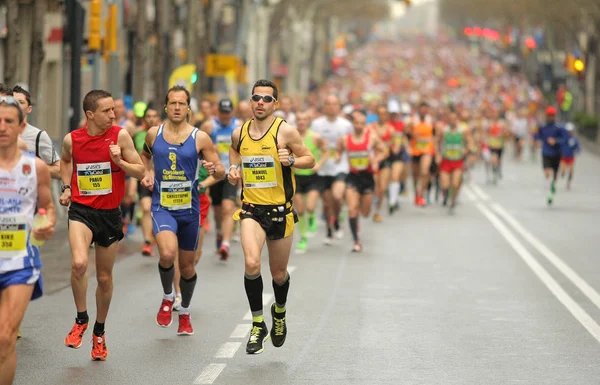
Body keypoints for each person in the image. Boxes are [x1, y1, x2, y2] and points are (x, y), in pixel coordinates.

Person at [228, 79, 315, 354]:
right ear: (250, 101)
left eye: (267, 99)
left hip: (280, 211)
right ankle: (257, 323)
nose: (261, 103)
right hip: (251, 210)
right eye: (256, 98)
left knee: (278, 274)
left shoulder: (285, 132)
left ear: (275, 104)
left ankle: (279, 312)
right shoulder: (239, 132)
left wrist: (291, 161)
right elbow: (234, 150)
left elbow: (310, 159)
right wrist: (233, 168)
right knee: (252, 263)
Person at [60, 89, 146, 361]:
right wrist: (65, 186)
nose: (113, 114)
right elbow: (64, 161)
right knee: (79, 264)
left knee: (104, 277)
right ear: (90, 114)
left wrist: (119, 161)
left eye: (113, 109)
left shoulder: (120, 135)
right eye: (107, 111)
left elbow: (141, 171)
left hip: (109, 214)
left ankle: (99, 331)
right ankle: (81, 319)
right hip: (81, 211)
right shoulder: (72, 140)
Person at [141, 86, 224, 335]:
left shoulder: (200, 138)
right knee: (167, 254)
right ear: (166, 106)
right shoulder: (153, 134)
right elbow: (143, 158)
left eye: (182, 103)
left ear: (189, 108)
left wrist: (210, 173)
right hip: (162, 205)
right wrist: (147, 173)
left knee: (187, 267)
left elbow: (219, 171)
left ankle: (185, 312)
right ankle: (168, 297)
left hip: (189, 209)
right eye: (172, 103)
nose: (177, 107)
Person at [0, 96, 55, 385]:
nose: (2, 127)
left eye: (9, 121)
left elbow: (46, 208)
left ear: (21, 126)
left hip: (20, 260)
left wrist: (46, 224)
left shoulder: (36, 168)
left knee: (5, 337)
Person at [337, 110, 385, 252]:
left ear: (365, 125)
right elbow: (339, 149)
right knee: (352, 210)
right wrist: (338, 156)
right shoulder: (346, 139)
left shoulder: (372, 138)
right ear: (353, 124)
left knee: (365, 212)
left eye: (361, 123)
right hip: (353, 177)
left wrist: (376, 160)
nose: (358, 126)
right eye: (356, 123)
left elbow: (383, 151)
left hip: (367, 178)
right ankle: (356, 242)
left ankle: (358, 214)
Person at [200, 99, 241, 259]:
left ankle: (226, 243)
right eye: (222, 113)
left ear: (232, 112)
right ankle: (219, 232)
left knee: (228, 207)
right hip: (215, 172)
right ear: (218, 112)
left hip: (231, 171)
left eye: (228, 112)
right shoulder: (209, 126)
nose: (225, 116)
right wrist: (211, 149)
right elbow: (198, 147)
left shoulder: (238, 126)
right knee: (217, 211)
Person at [292, 110, 328, 253]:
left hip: (312, 177)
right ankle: (303, 238)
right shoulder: (291, 137)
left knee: (311, 207)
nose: (301, 122)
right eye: (299, 119)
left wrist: (318, 164)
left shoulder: (315, 137)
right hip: (297, 178)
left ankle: (312, 217)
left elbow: (326, 152)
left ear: (308, 121)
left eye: (304, 119)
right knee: (300, 209)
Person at [12, 86, 61, 179]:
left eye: (21, 102)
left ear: (29, 109)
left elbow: (59, 171)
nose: (16, 105)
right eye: (13, 101)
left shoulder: (38, 136)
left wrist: (31, 166)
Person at [535, 106, 567, 206]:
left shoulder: (559, 127)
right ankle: (549, 192)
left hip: (556, 153)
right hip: (546, 152)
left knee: (555, 175)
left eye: (552, 115)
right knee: (547, 172)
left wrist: (556, 141)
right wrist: (538, 141)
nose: (550, 117)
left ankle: (553, 184)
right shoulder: (543, 127)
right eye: (549, 115)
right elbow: (537, 136)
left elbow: (564, 139)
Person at [559, 122, 581, 190]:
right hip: (563, 157)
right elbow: (559, 145)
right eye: (568, 131)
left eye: (570, 131)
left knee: (571, 171)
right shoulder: (563, 138)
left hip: (571, 157)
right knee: (563, 170)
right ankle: (562, 172)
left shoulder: (574, 139)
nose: (569, 132)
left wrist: (578, 150)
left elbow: (577, 147)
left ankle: (568, 183)